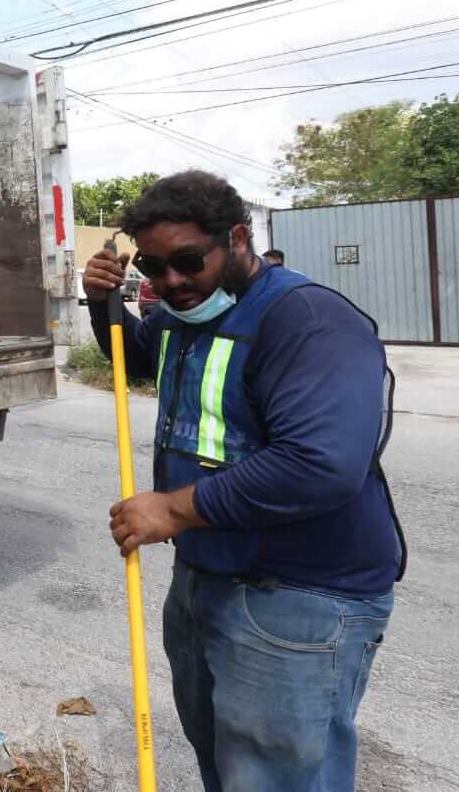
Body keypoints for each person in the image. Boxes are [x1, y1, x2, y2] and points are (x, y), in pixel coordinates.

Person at [81, 171, 403, 792]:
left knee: (275, 780)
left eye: (187, 261)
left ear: (236, 238)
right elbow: (136, 358)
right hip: (208, 578)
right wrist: (105, 303)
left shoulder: (308, 321)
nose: (171, 281)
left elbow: (319, 464)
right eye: (153, 266)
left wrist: (172, 510)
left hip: (298, 597)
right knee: (227, 765)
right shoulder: (180, 316)